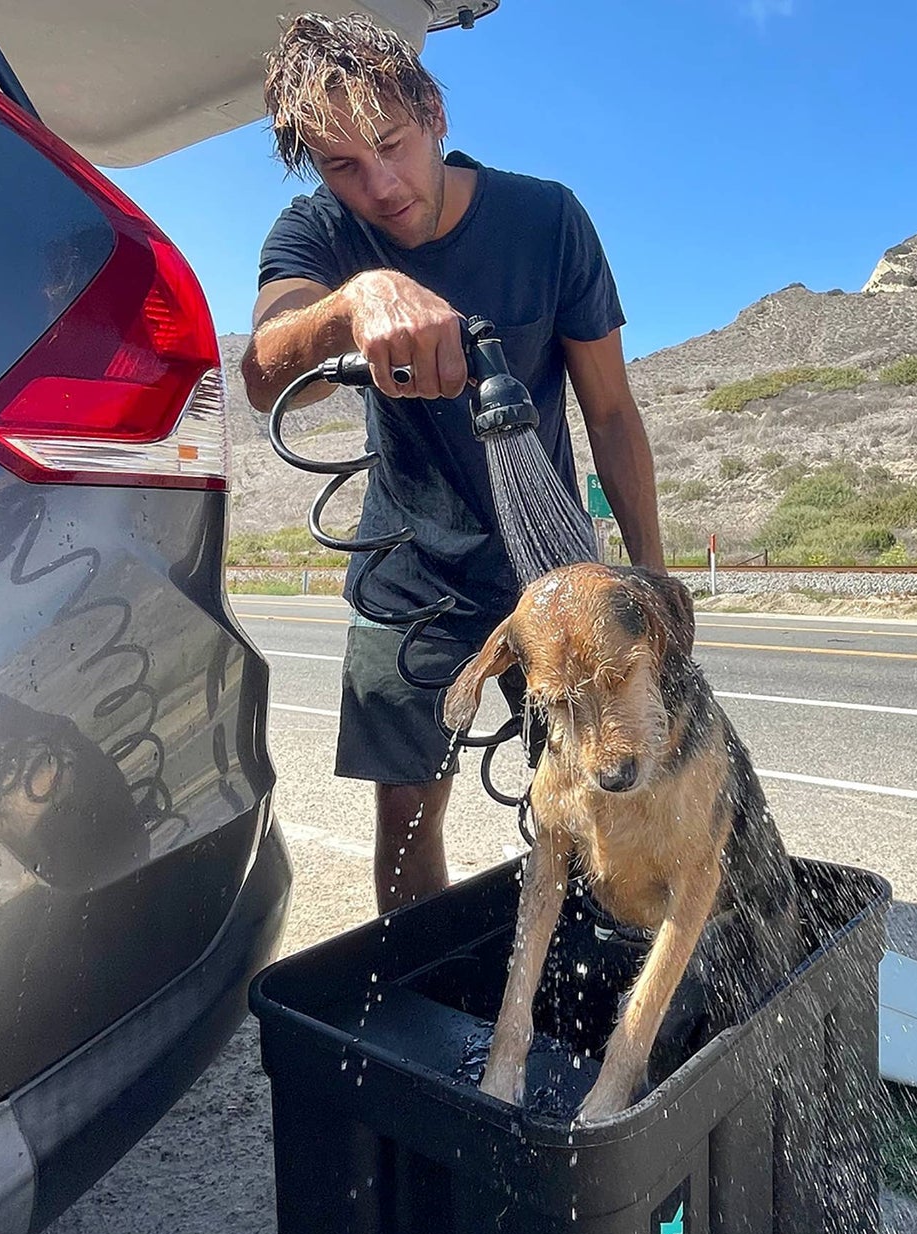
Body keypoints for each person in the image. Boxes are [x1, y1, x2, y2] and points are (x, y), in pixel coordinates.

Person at [241, 13, 665, 914]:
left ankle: (603, 988)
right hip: (409, 580)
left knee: (603, 802)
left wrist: (651, 580)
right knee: (405, 823)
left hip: (555, 574)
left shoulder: (546, 219)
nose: (380, 186)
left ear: (433, 112)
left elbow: (613, 412)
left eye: (391, 144)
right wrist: (350, 303)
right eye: (342, 165)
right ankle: (411, 1002)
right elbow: (264, 366)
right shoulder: (318, 232)